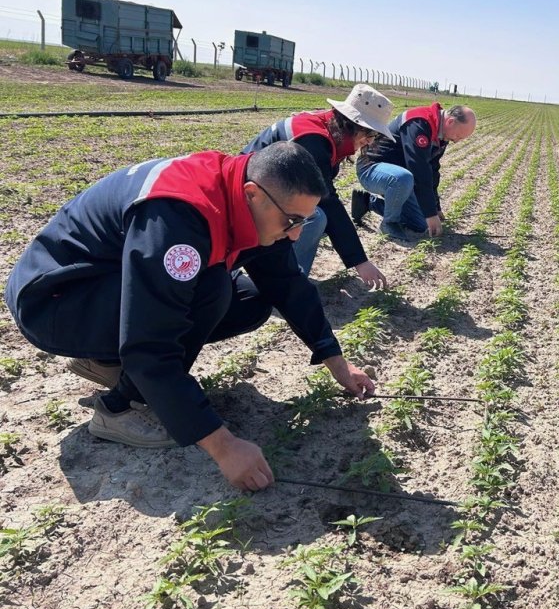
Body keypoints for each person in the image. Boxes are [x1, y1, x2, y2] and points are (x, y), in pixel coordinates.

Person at [4, 142, 375, 492]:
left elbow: (287, 285)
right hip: (54, 301)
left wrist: (337, 362)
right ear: (253, 194)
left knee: (252, 298)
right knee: (210, 288)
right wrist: (224, 447)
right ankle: (121, 409)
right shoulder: (180, 216)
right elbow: (151, 342)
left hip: (102, 287)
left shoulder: (243, 195)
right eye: (291, 220)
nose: (295, 236)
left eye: (303, 224)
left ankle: (106, 360)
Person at [242, 84, 394, 285]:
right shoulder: (313, 141)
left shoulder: (328, 129)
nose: (370, 142)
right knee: (315, 217)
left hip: (268, 191)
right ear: (353, 124)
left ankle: (290, 274)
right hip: (250, 197)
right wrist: (360, 261)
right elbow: (327, 201)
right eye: (370, 134)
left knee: (316, 217)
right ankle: (280, 281)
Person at [351, 103, 477, 240]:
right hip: (372, 168)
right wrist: (430, 214)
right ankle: (389, 223)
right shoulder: (418, 123)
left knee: (421, 224)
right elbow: (419, 169)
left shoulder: (442, 134)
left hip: (401, 179)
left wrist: (435, 208)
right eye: (459, 136)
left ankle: (367, 202)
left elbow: (432, 170)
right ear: (450, 121)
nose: (457, 141)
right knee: (403, 179)